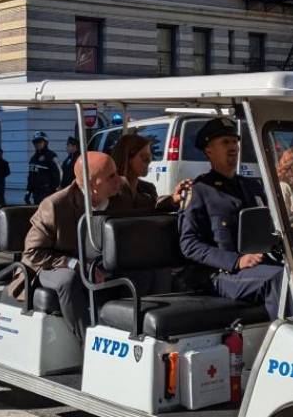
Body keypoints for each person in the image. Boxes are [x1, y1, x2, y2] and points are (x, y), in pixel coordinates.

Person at [22, 152, 134, 342]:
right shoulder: (56, 205)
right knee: (69, 280)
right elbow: (33, 253)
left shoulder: (120, 192)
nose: (119, 179)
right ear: (91, 185)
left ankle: (130, 332)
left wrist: (172, 200)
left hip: (98, 263)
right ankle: (86, 342)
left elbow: (145, 208)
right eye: (111, 176)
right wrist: (75, 264)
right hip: (53, 265)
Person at [179, 118, 284, 320]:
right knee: (277, 279)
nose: (233, 147)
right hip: (221, 274)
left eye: (234, 142)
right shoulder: (199, 190)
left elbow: (269, 226)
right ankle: (290, 344)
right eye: (225, 142)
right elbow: (189, 243)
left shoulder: (251, 186)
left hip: (257, 266)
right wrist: (236, 261)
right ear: (209, 150)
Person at [110, 134, 190, 212]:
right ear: (128, 158)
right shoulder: (111, 188)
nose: (149, 160)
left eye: (150, 156)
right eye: (144, 157)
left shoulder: (148, 189)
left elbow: (155, 207)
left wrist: (173, 199)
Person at [25, 131, 61, 205]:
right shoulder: (33, 158)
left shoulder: (51, 156)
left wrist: (54, 189)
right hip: (36, 193)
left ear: (45, 142)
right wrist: (28, 192)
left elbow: (59, 172)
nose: (37, 144)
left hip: (47, 193)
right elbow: (31, 177)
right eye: (35, 142)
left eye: (39, 142)